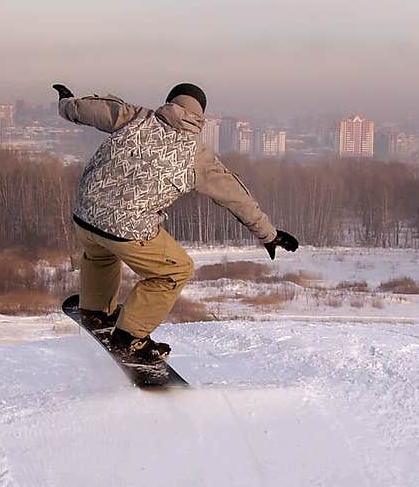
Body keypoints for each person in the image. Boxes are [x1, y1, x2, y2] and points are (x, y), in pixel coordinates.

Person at [54, 82, 299, 362]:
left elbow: (88, 109)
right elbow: (237, 198)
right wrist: (269, 235)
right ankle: (130, 338)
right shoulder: (197, 157)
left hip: (84, 214)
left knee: (101, 253)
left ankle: (96, 312)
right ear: (200, 116)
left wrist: (66, 103)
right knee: (175, 270)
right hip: (126, 228)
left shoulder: (135, 116)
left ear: (169, 103)